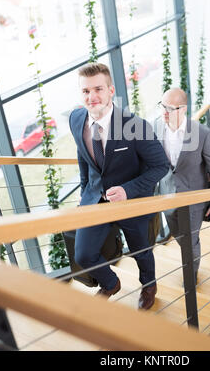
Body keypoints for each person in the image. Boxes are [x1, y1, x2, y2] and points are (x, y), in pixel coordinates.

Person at [69, 63, 169, 310]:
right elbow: (84, 157)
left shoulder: (136, 126)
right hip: (96, 200)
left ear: (111, 90)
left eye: (98, 89)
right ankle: (111, 283)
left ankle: (149, 285)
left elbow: (161, 166)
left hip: (132, 202)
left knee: (141, 252)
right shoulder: (76, 119)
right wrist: (84, 194)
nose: (92, 97)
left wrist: (128, 190)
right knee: (83, 254)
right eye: (85, 91)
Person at [154, 88, 210, 281]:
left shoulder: (201, 133)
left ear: (183, 109)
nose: (164, 112)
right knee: (181, 237)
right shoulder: (156, 127)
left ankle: (191, 275)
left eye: (170, 108)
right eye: (162, 106)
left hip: (194, 199)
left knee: (191, 240)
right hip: (167, 197)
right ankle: (190, 254)